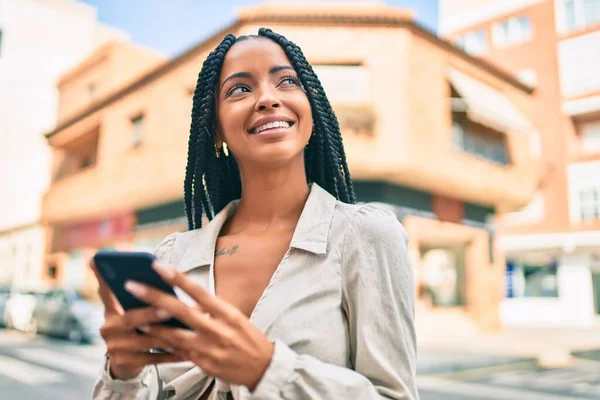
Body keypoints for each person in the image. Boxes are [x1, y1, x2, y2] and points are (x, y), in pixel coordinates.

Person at [91, 28, 419, 400]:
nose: (267, 98)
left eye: (287, 82)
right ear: (215, 130)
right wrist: (123, 372)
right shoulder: (174, 257)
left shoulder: (365, 235)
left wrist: (267, 369)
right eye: (240, 89)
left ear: (312, 110)